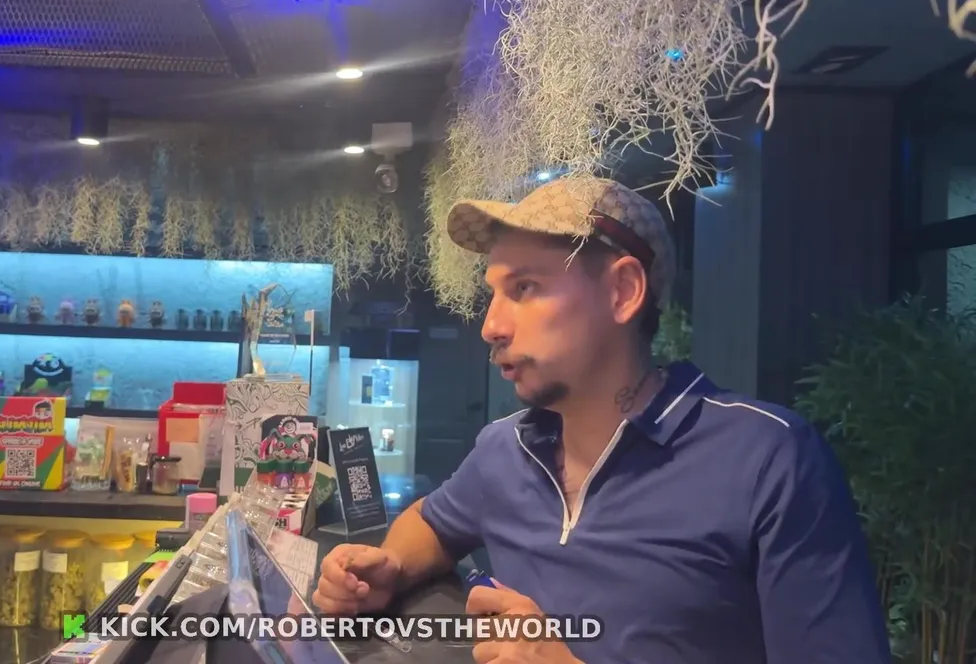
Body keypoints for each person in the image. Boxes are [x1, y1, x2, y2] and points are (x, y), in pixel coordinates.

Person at [312, 177, 891, 664]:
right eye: (493, 294)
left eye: (525, 288)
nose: (491, 327)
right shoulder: (505, 448)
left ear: (622, 292)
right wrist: (388, 568)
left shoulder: (768, 458)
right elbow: (434, 522)